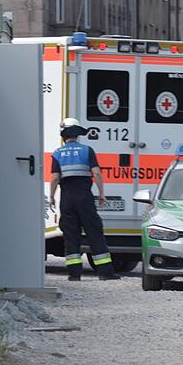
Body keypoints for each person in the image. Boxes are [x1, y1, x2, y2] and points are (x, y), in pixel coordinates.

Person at [48, 118, 118, 281]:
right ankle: (105, 273)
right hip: (84, 197)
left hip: (67, 199)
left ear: (64, 135)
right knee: (94, 232)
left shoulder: (58, 153)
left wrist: (51, 197)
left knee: (71, 235)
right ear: (77, 134)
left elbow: (54, 178)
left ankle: (74, 274)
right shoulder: (87, 150)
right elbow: (97, 173)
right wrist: (101, 193)